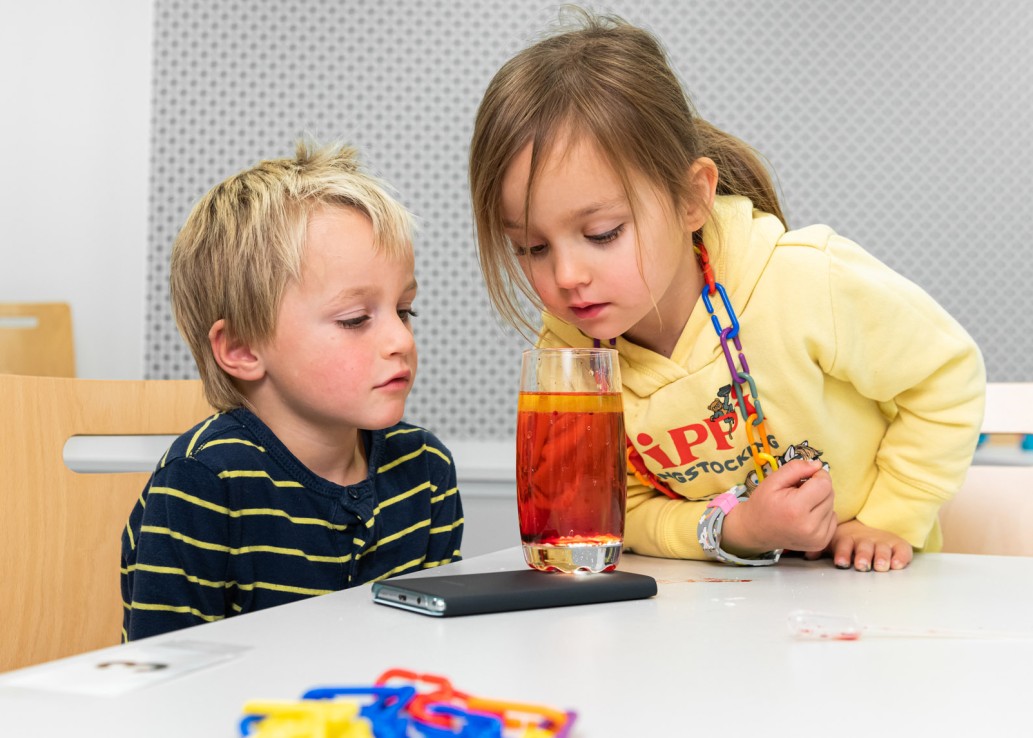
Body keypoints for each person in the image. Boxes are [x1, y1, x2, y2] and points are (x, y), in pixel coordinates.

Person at [468, 8, 985, 572]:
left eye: (602, 233)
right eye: (531, 248)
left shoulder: (803, 280)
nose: (566, 276)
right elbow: (619, 512)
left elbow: (947, 377)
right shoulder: (568, 354)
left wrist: (890, 517)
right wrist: (733, 530)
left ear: (692, 199)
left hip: (871, 584)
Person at [121, 142, 464, 641]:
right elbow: (166, 680)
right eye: (354, 320)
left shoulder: (426, 470)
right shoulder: (203, 484)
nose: (401, 340)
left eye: (405, 310)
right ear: (241, 347)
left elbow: (434, 648)